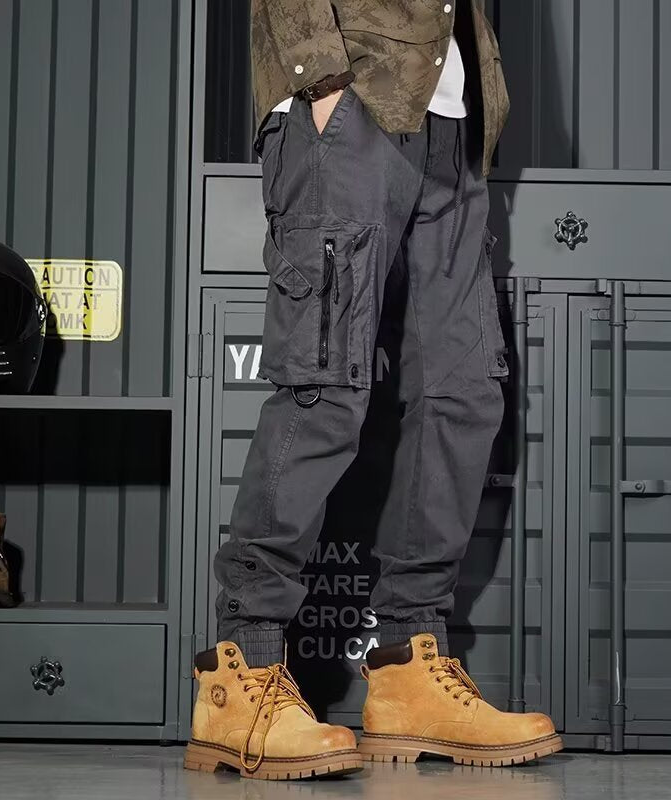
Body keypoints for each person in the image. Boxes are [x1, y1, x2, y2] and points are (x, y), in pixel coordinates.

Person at [184, 0, 562, 781]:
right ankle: (241, 672)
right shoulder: (329, 88)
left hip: (451, 123)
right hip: (349, 100)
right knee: (324, 385)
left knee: (462, 396)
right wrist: (319, 74)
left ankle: (408, 670)